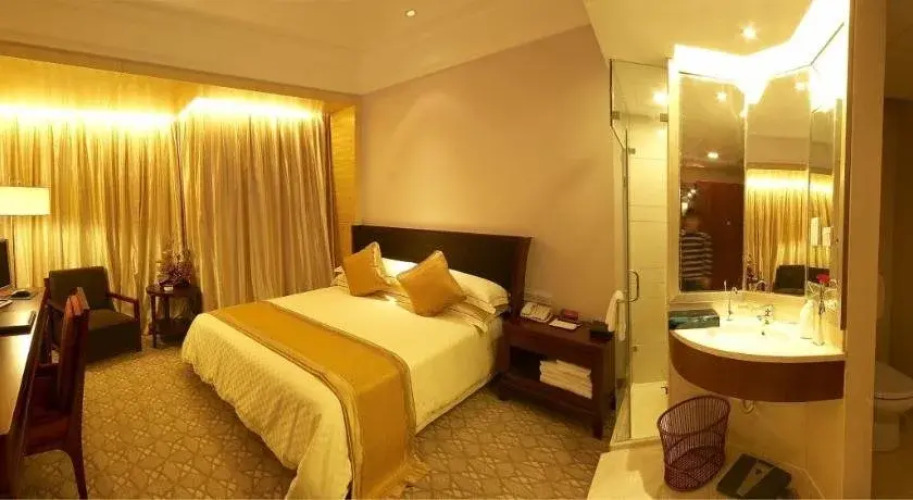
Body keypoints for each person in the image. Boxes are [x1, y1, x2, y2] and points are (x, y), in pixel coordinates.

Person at [680, 209, 713, 291]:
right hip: (682, 279)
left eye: (694, 220)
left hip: (697, 279)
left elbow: (707, 258)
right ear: (685, 221)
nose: (691, 222)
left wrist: (706, 276)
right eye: (689, 219)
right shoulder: (680, 238)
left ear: (698, 222)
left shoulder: (704, 237)